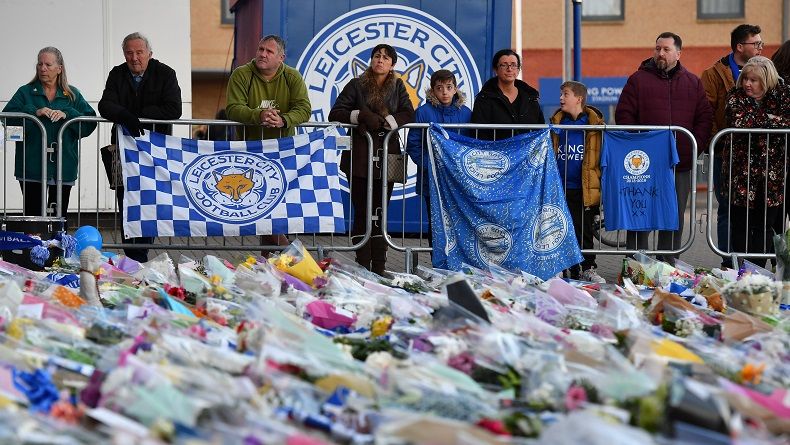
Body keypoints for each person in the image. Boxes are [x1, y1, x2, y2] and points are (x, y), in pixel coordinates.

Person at [615, 32, 713, 264]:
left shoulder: (693, 83)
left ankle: (667, 266)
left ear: (678, 54)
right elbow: (624, 115)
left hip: (679, 163)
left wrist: (691, 148)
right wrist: (640, 148)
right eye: (657, 48)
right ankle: (636, 265)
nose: (660, 53)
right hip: (644, 166)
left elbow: (704, 118)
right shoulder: (637, 80)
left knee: (673, 217)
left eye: (666, 49)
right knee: (641, 214)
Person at [328, 44, 414, 275]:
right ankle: (363, 265)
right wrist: (360, 116)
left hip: (387, 156)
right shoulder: (356, 84)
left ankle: (380, 267)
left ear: (392, 64)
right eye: (377, 56)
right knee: (362, 211)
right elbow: (336, 112)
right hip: (359, 158)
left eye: (386, 58)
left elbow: (408, 112)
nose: (380, 60)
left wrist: (388, 121)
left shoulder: (398, 86)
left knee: (380, 211)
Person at [98, 32, 183, 263]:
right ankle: (131, 257)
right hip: (123, 149)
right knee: (126, 201)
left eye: (139, 52)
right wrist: (125, 116)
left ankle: (141, 254)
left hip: (154, 151)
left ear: (149, 53)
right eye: (129, 53)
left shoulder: (165, 73)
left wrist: (137, 115)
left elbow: (174, 109)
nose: (134, 58)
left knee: (150, 201)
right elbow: (105, 105)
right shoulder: (117, 73)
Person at [225, 35, 311, 247]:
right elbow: (233, 108)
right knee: (261, 204)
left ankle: (271, 257)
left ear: (281, 58)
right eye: (261, 49)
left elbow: (304, 108)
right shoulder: (241, 74)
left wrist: (283, 120)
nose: (262, 54)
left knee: (276, 206)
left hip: (284, 151)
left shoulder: (292, 76)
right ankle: (288, 251)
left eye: (269, 51)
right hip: (250, 151)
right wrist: (259, 115)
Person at [3, 47, 96, 218]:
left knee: (58, 218)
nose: (43, 68)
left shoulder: (72, 95)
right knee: (33, 217)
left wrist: (68, 114)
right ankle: (34, 238)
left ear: (59, 68)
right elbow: (7, 118)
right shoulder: (25, 92)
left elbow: (90, 122)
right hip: (31, 167)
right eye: (40, 64)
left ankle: (57, 237)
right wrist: (34, 112)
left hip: (63, 167)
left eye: (48, 64)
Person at [701, 24, 762, 266]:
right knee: (727, 207)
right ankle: (728, 262)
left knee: (756, 209)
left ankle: (753, 262)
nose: (760, 47)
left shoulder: (765, 70)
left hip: (758, 155)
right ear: (739, 46)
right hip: (725, 154)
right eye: (755, 43)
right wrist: (717, 144)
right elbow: (707, 113)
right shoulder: (713, 74)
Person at [721, 56, 790, 266]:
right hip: (741, 173)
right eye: (745, 79)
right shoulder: (735, 96)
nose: (747, 84)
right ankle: (741, 269)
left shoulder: (783, 94)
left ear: (766, 80)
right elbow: (739, 121)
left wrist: (761, 119)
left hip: (772, 174)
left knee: (765, 225)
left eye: (754, 80)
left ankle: (757, 270)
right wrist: (772, 119)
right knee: (740, 224)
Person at [405, 69, 471, 252]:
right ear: (432, 90)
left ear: (455, 89)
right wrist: (431, 166)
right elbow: (414, 145)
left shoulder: (466, 113)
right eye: (439, 88)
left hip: (458, 179)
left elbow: (472, 144)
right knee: (436, 221)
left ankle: (459, 260)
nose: (444, 92)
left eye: (449, 87)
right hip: (432, 179)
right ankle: (437, 260)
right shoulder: (423, 113)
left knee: (460, 220)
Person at [550, 81, 605, 283]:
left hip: (585, 187)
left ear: (579, 99)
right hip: (561, 187)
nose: (561, 98)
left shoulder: (594, 125)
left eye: (565, 94)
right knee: (562, 228)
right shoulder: (557, 124)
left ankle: (588, 268)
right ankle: (567, 268)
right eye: (561, 94)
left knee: (585, 230)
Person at [471, 49, 544, 140]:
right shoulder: (484, 98)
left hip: (528, 149)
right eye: (504, 65)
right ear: (496, 70)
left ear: (518, 70)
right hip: (495, 149)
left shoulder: (531, 97)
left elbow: (540, 131)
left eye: (513, 65)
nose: (509, 69)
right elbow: (478, 134)